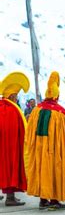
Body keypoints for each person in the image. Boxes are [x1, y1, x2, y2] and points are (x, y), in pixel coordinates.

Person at [26, 72, 65, 210]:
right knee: (55, 170)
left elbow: (29, 134)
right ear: (57, 95)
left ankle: (43, 200)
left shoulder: (36, 111)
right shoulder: (60, 113)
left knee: (42, 170)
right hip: (55, 150)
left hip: (39, 150)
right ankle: (54, 200)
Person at [0, 72, 29, 206]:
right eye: (16, 96)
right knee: (10, 168)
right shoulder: (10, 109)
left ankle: (10, 197)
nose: (17, 99)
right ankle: (10, 198)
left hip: (4, 146)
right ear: (11, 96)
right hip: (10, 147)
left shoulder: (3, 107)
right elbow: (11, 129)